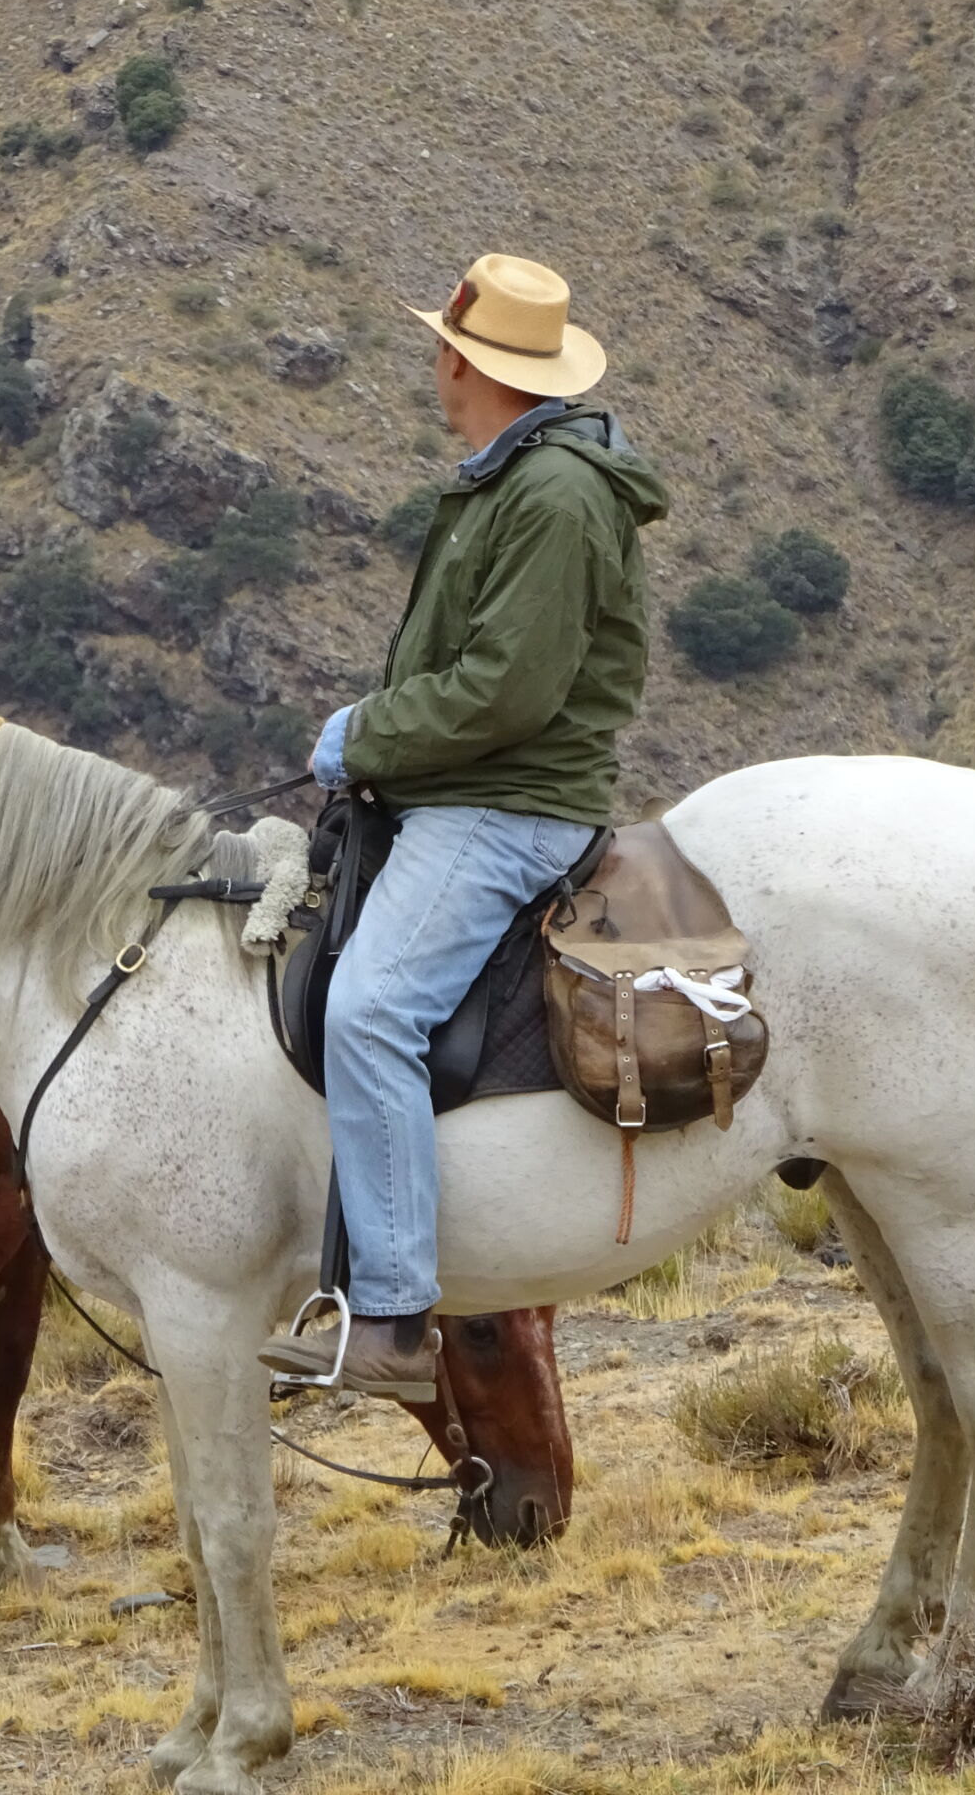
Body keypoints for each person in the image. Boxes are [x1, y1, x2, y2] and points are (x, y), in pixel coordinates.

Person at [257, 254, 669, 1400]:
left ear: (463, 361)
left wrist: (362, 737)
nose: (434, 364)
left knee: (372, 1007)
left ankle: (390, 1315)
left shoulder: (549, 495)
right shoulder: (518, 477)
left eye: (442, 346)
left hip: (507, 803)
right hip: (480, 785)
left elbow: (506, 693)